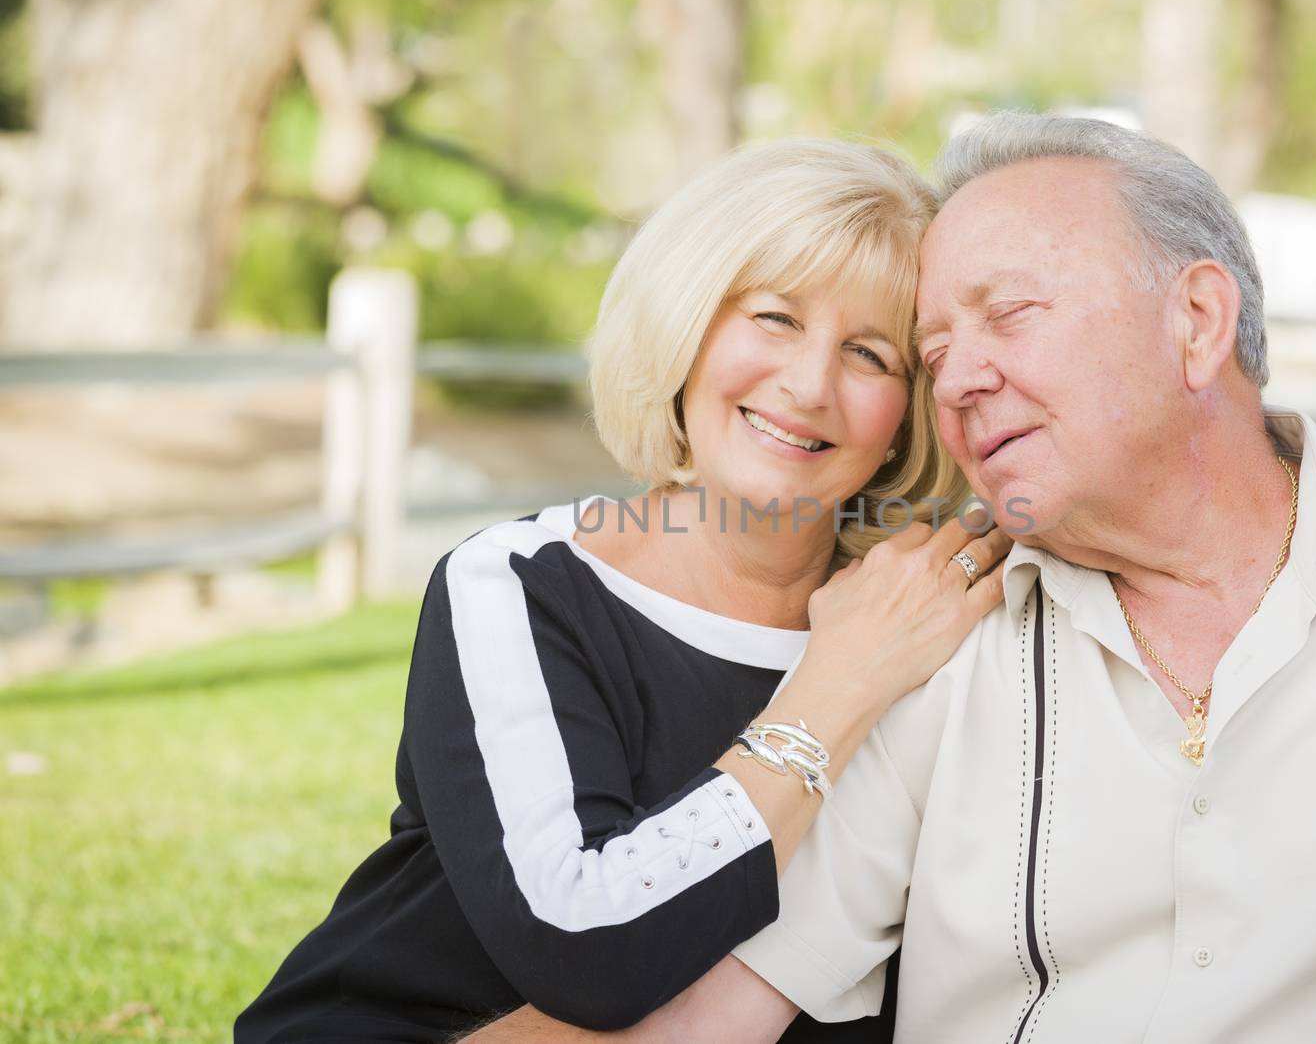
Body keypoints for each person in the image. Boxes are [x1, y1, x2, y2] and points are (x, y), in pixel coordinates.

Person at [477, 112, 1316, 1044]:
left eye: (1008, 313)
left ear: (1197, 321)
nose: (956, 378)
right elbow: (711, 1013)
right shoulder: (932, 630)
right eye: (927, 354)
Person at [233, 137, 1012, 1044]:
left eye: (871, 355)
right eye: (773, 317)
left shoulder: (926, 612)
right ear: (685, 327)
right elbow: (586, 947)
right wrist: (837, 685)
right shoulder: (519, 582)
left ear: (907, 416)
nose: (808, 384)